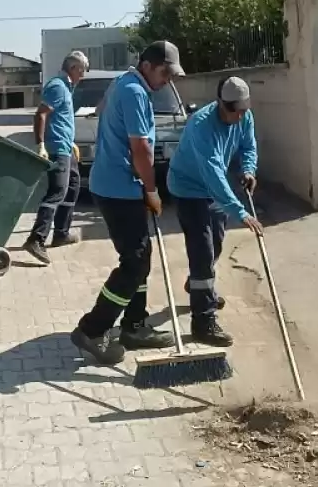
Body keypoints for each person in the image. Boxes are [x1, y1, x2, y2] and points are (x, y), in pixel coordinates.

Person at [70, 41, 186, 365]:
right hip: (119, 189)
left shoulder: (124, 82)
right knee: (134, 264)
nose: (168, 80)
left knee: (140, 257)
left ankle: (135, 326)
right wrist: (151, 190)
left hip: (115, 185)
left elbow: (107, 113)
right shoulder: (135, 92)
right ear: (148, 65)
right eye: (165, 72)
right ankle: (93, 329)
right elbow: (142, 151)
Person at [167, 76, 263, 347]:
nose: (240, 115)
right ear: (221, 103)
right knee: (203, 251)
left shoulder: (245, 116)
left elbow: (248, 146)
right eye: (235, 110)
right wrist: (241, 212)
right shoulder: (200, 125)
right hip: (188, 189)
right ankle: (203, 322)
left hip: (213, 190)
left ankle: (198, 286)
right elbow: (212, 175)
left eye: (244, 109)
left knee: (216, 245)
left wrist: (248, 169)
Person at [22, 51, 89, 265]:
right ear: (73, 68)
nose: (83, 75)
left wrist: (71, 142)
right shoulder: (58, 86)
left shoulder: (66, 88)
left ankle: (61, 233)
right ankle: (36, 239)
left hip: (66, 147)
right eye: (82, 70)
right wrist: (40, 144)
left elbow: (60, 120)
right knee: (57, 191)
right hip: (56, 149)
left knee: (73, 187)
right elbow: (41, 114)